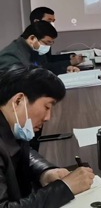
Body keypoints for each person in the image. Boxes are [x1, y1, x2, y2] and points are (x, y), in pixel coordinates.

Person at [0, 64, 95, 207]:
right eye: (47, 107)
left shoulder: (12, 125)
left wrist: (45, 172)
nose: (47, 118)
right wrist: (64, 188)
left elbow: (20, 151)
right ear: (18, 100)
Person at [0, 23, 78, 74]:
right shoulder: (11, 56)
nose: (47, 47)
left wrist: (64, 69)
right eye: (46, 43)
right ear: (32, 38)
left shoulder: (32, 50)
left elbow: (42, 68)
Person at [29, 7, 85, 74]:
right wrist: (69, 62)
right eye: (49, 21)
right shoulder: (31, 41)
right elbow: (42, 67)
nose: (52, 24)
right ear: (36, 21)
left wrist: (69, 57)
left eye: (53, 21)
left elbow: (49, 59)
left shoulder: (43, 37)